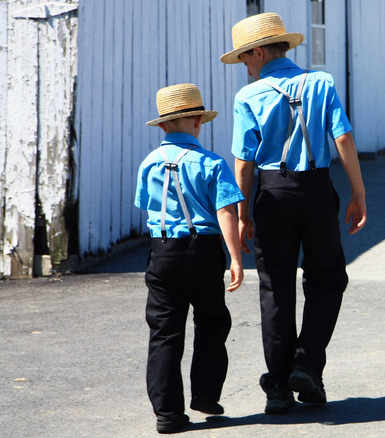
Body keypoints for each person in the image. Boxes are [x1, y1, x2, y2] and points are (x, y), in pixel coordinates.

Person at [220, 12, 367, 415]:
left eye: (245, 59)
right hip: (317, 190)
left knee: (276, 288)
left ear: (260, 51)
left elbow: (243, 162)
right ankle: (307, 365)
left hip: (272, 193)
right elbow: (343, 137)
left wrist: (243, 211)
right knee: (328, 277)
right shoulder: (321, 82)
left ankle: (278, 388)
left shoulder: (248, 97)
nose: (245, 68)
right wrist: (358, 191)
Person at [134, 83, 245, 433]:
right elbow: (226, 211)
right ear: (199, 121)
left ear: (163, 125)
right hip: (204, 248)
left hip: (162, 251)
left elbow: (145, 206)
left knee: (165, 332)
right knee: (211, 321)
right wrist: (235, 257)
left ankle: (168, 413)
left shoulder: (149, 163)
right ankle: (206, 395)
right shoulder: (211, 162)